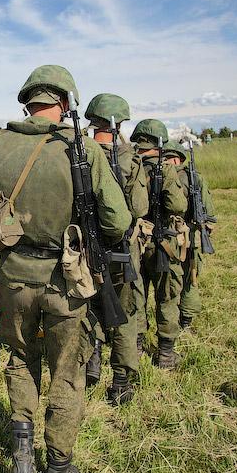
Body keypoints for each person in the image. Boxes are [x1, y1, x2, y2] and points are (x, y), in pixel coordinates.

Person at [0, 65, 131, 473]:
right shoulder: (80, 149)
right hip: (66, 281)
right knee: (67, 372)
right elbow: (118, 221)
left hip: (13, 277)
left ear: (29, 100)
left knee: (21, 359)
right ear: (65, 101)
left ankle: (22, 451)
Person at [83, 94, 149, 405]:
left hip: (84, 247)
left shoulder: (77, 152)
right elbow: (139, 207)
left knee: (88, 305)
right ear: (119, 123)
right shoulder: (129, 159)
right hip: (122, 248)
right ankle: (121, 381)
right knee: (125, 312)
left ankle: (91, 360)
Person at [130, 121, 188, 370]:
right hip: (165, 242)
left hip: (136, 244)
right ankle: (165, 354)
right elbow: (177, 207)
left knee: (136, 296)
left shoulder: (129, 165)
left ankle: (138, 346)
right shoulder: (166, 168)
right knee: (167, 298)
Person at [162, 139, 216, 333]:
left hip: (167, 239)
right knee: (190, 279)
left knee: (172, 283)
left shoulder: (161, 176)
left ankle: (180, 320)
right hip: (189, 238)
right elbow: (209, 215)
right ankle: (185, 320)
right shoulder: (194, 178)